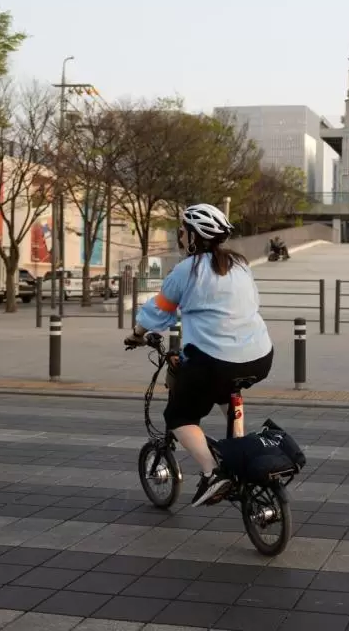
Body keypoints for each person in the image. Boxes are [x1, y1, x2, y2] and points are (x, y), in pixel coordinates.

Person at [125, 203, 273, 506]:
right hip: (260, 357)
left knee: (179, 415)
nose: (179, 236)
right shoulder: (241, 264)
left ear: (193, 236)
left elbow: (159, 311)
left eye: (182, 231)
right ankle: (239, 447)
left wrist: (137, 335)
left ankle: (213, 472)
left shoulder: (186, 270)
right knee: (226, 388)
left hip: (214, 361)